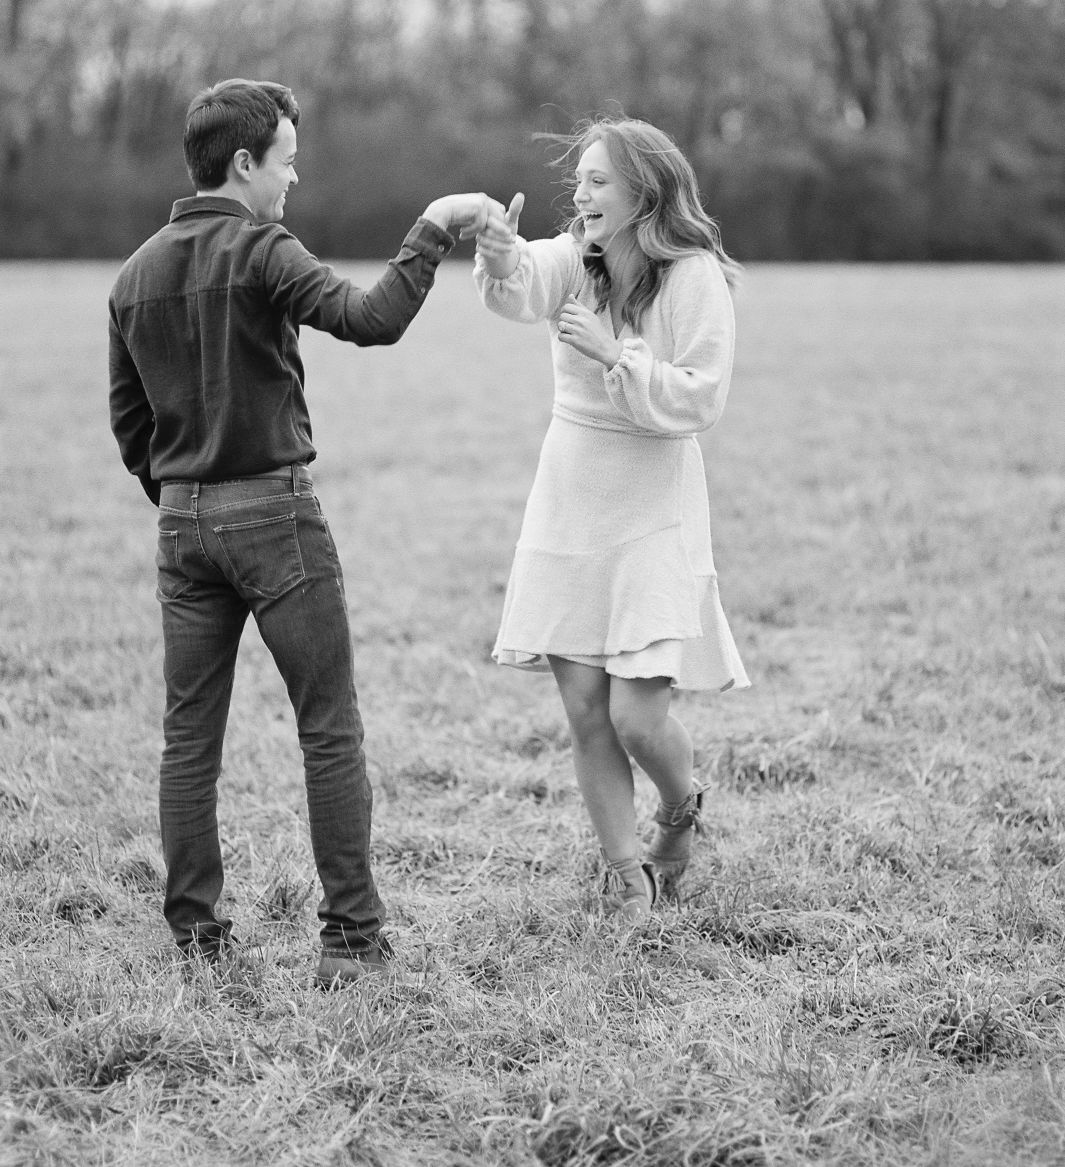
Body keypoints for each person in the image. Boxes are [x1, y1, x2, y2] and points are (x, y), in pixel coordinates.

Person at [108, 77, 503, 985]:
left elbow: (132, 430)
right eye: (286, 157)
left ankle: (198, 939)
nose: (294, 175)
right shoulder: (262, 249)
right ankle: (353, 943)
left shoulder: (133, 275)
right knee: (327, 728)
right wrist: (435, 225)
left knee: (187, 739)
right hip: (274, 516)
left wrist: (184, 500)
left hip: (180, 524)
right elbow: (372, 321)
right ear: (243, 163)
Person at [474, 117, 749, 922]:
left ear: (643, 192)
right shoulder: (574, 256)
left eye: (599, 181)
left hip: (652, 499)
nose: (582, 195)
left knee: (637, 712)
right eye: (579, 181)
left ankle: (679, 804)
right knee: (587, 711)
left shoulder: (692, 274)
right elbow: (525, 281)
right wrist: (498, 256)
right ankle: (627, 874)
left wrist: (612, 353)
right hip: (569, 497)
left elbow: (700, 395)